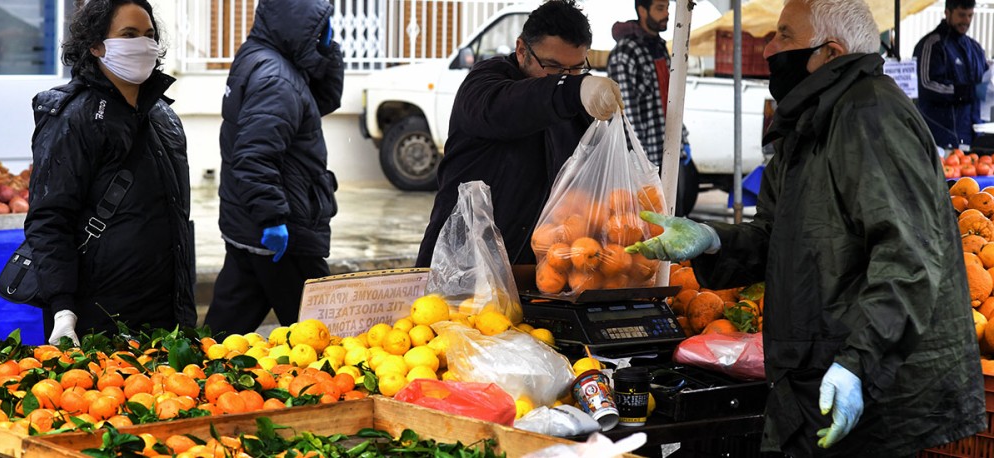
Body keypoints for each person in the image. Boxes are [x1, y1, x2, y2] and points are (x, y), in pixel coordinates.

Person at [626, 0, 985, 455]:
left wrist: (858, 365)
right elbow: (774, 234)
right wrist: (713, 242)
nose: (769, 45)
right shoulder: (809, 121)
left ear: (830, 53)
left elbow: (909, 256)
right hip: (810, 371)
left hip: (870, 386)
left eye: (784, 36)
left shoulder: (870, 115)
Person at [26, 0, 196, 344]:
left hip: (168, 317)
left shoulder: (164, 116)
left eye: (149, 35)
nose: (143, 44)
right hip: (99, 321)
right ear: (96, 45)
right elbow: (50, 219)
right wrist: (62, 309)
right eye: (129, 34)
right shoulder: (74, 118)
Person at [415, 0, 623, 267]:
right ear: (522, 49)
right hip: (460, 264)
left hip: (533, 274)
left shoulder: (574, 105)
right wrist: (571, 89)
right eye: (553, 67)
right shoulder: (484, 84)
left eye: (576, 68)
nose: (566, 77)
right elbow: (505, 108)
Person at [204, 0, 343, 336]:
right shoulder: (276, 78)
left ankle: (193, 375)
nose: (326, 33)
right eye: (321, 26)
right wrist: (273, 219)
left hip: (249, 224)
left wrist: (327, 51)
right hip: (284, 230)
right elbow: (254, 155)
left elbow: (321, 100)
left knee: (222, 334)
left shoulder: (264, 59)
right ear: (298, 25)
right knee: (320, 338)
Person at [607, 0, 692, 215]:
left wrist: (682, 139)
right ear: (642, 10)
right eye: (660, 8)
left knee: (673, 221)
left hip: (670, 153)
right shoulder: (625, 53)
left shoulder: (659, 47)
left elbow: (669, 100)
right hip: (645, 163)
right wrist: (640, 164)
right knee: (648, 230)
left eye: (668, 8)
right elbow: (627, 115)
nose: (667, 14)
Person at [913, 0, 989, 149]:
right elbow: (927, 85)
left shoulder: (976, 48)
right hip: (939, 135)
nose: (966, 21)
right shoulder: (932, 45)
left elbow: (986, 82)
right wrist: (969, 91)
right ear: (947, 12)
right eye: (961, 15)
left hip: (971, 135)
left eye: (970, 15)